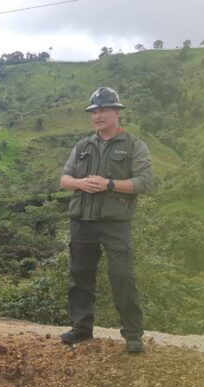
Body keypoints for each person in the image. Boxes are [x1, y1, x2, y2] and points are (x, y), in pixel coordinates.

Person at [60, 86, 153, 353]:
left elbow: (145, 182)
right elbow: (64, 179)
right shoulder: (83, 146)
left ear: (116, 113)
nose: (97, 116)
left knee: (122, 276)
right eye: (94, 112)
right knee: (80, 276)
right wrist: (80, 182)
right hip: (82, 221)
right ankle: (81, 328)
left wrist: (109, 184)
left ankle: (133, 334)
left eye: (103, 111)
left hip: (115, 223)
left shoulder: (134, 145)